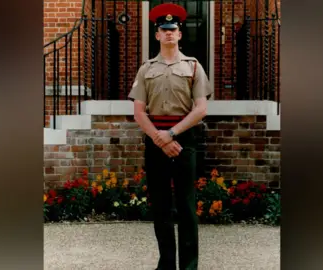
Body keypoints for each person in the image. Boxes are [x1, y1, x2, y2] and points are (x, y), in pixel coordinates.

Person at [128, 3, 213, 270]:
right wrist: (159, 138)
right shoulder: (145, 69)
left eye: (172, 29)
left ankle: (189, 266)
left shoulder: (194, 67)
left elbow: (201, 109)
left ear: (179, 34)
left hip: (184, 140)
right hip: (156, 143)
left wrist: (172, 134)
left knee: (187, 206)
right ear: (157, 35)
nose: (168, 33)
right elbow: (139, 112)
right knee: (161, 207)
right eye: (163, 30)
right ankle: (166, 264)